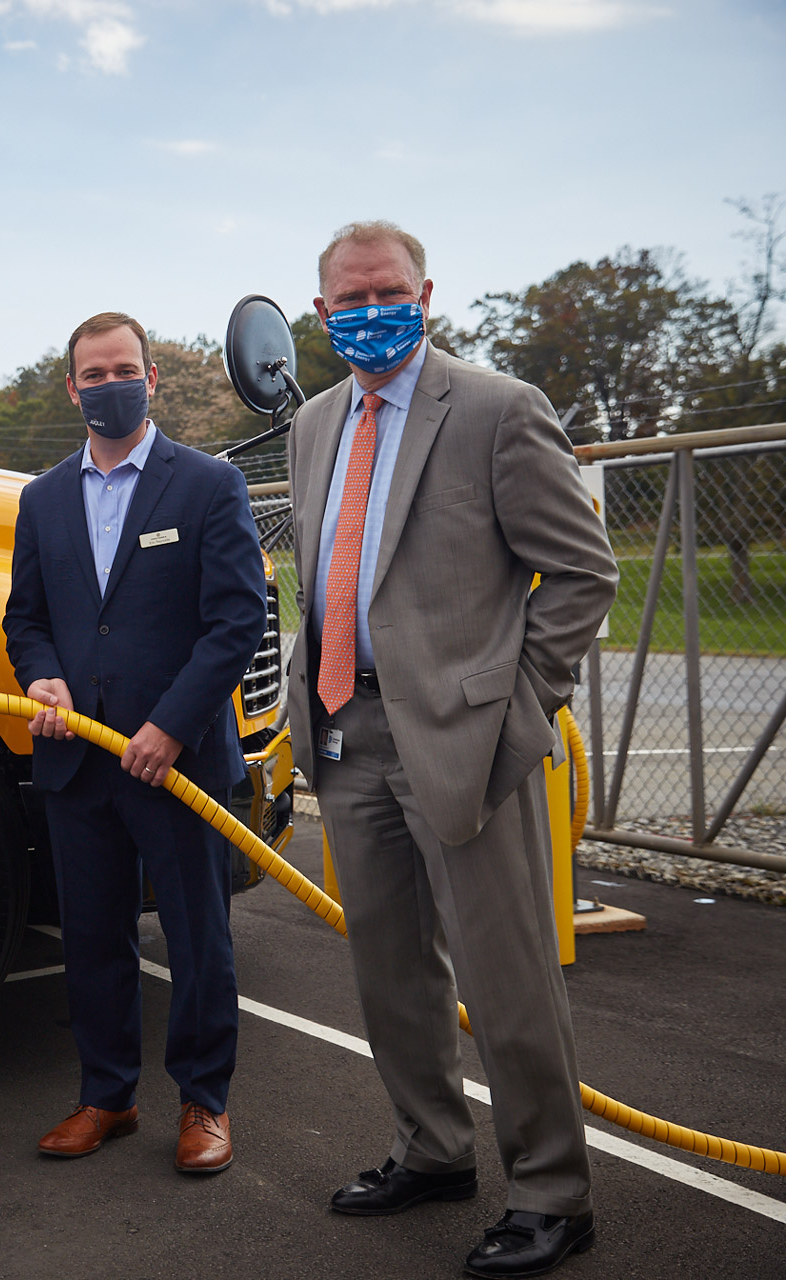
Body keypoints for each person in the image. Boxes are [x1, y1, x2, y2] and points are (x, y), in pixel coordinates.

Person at [287, 222, 617, 1278]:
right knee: (390, 968)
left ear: (425, 292)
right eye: (349, 296)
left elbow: (580, 572)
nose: (368, 308)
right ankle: (431, 1149)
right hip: (349, 729)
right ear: (321, 306)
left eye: (388, 290)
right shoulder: (314, 422)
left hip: (468, 739)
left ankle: (553, 1193)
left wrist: (520, 713)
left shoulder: (495, 408)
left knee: (506, 973)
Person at [2, 312, 267, 1174]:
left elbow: (236, 623)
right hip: (79, 761)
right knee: (93, 936)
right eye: (93, 372)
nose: (109, 383)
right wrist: (40, 678)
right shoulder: (42, 499)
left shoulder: (205, 485)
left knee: (197, 938)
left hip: (176, 759)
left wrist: (169, 726)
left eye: (125, 369)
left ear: (151, 379)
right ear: (71, 386)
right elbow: (27, 621)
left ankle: (203, 1102)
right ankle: (106, 1096)